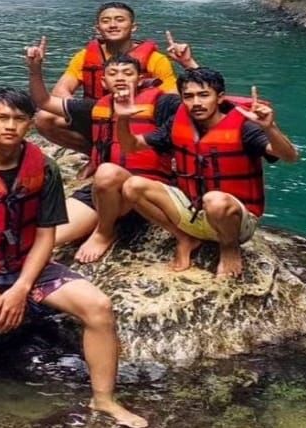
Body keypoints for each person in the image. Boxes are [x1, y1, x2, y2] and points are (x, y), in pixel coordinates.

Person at [0, 87, 147, 428]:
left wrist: (21, 287)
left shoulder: (45, 168)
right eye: (2, 118)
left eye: (19, 119)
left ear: (30, 125)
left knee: (98, 307)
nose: (10, 126)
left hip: (27, 265)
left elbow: (45, 235)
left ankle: (104, 400)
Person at [113, 68, 300, 278]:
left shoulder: (245, 128)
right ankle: (185, 238)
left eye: (204, 95)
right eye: (189, 96)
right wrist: (122, 119)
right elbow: (131, 147)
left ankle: (229, 249)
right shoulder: (176, 123)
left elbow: (290, 157)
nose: (196, 103)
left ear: (219, 98)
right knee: (132, 186)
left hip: (234, 221)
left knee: (215, 200)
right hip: (193, 212)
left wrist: (270, 127)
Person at [26, 36, 193, 262]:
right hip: (107, 194)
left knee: (106, 171)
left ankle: (104, 232)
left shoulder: (163, 103)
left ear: (141, 78)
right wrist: (35, 69)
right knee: (42, 239)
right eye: (113, 74)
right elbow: (45, 102)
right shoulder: (98, 106)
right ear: (103, 82)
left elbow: (202, 103)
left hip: (149, 191)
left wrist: (188, 64)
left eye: (128, 73)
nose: (121, 78)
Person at [33, 2, 190, 153]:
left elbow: (174, 98)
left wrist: (187, 63)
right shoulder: (84, 56)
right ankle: (95, 154)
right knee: (44, 118)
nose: (113, 25)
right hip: (97, 115)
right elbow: (61, 90)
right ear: (98, 28)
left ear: (133, 27)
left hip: (138, 119)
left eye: (120, 20)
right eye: (106, 21)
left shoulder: (155, 59)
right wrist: (85, 111)